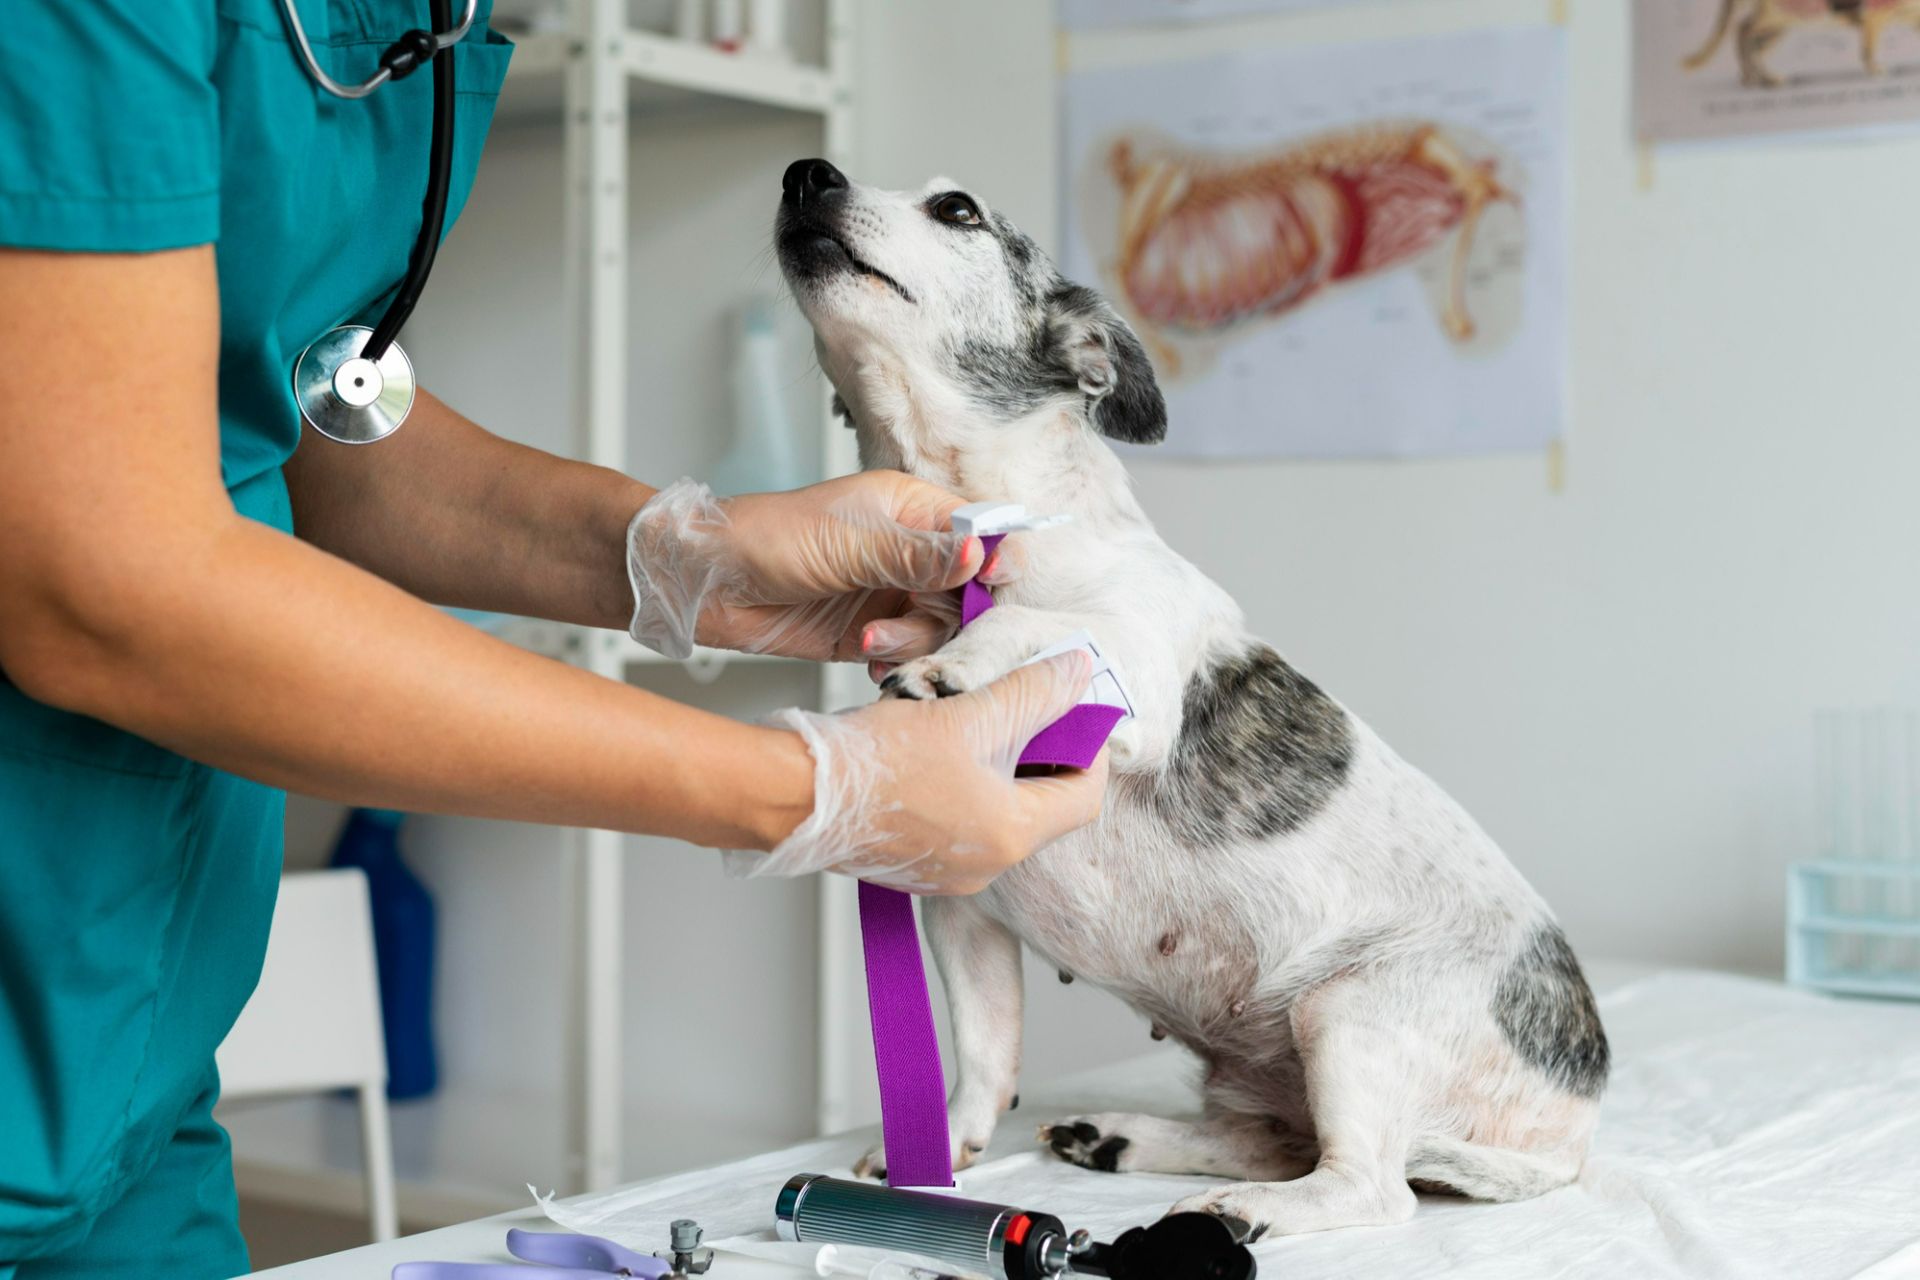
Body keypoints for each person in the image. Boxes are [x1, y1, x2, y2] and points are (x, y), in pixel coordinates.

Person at [0, 4, 1106, 1276]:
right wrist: (815, 788)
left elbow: (288, 395)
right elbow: (109, 582)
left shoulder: (428, 25)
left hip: (135, 1093)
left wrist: (686, 558)